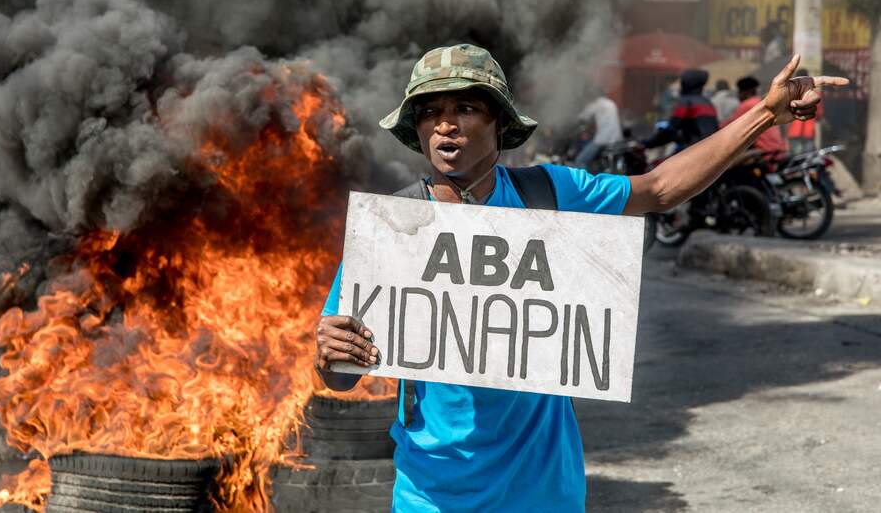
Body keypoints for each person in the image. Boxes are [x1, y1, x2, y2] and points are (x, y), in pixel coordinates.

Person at [313, 43, 844, 512]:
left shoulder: (550, 194)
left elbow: (658, 189)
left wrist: (765, 115)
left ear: (500, 123)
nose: (445, 124)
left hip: (543, 496)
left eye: (465, 108)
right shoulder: (390, 229)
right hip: (429, 498)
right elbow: (340, 375)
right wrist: (330, 352)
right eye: (429, 112)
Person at [642, 68, 719, 152]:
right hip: (711, 149)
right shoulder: (707, 102)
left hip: (694, 151)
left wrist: (648, 143)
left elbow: (671, 128)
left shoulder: (686, 102)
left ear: (685, 84)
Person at [723, 76, 788, 159]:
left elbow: (731, 127)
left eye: (739, 92)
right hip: (779, 150)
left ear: (744, 92)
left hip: (765, 153)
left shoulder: (746, 105)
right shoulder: (763, 103)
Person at [573, 88, 623, 168]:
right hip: (616, 138)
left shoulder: (596, 104)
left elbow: (583, 117)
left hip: (603, 139)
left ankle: (587, 180)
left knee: (580, 161)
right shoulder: (611, 103)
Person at [787, 68, 822, 154]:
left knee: (795, 160)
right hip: (808, 131)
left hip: (794, 131)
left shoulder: (790, 94)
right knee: (807, 159)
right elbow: (819, 114)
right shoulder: (816, 94)